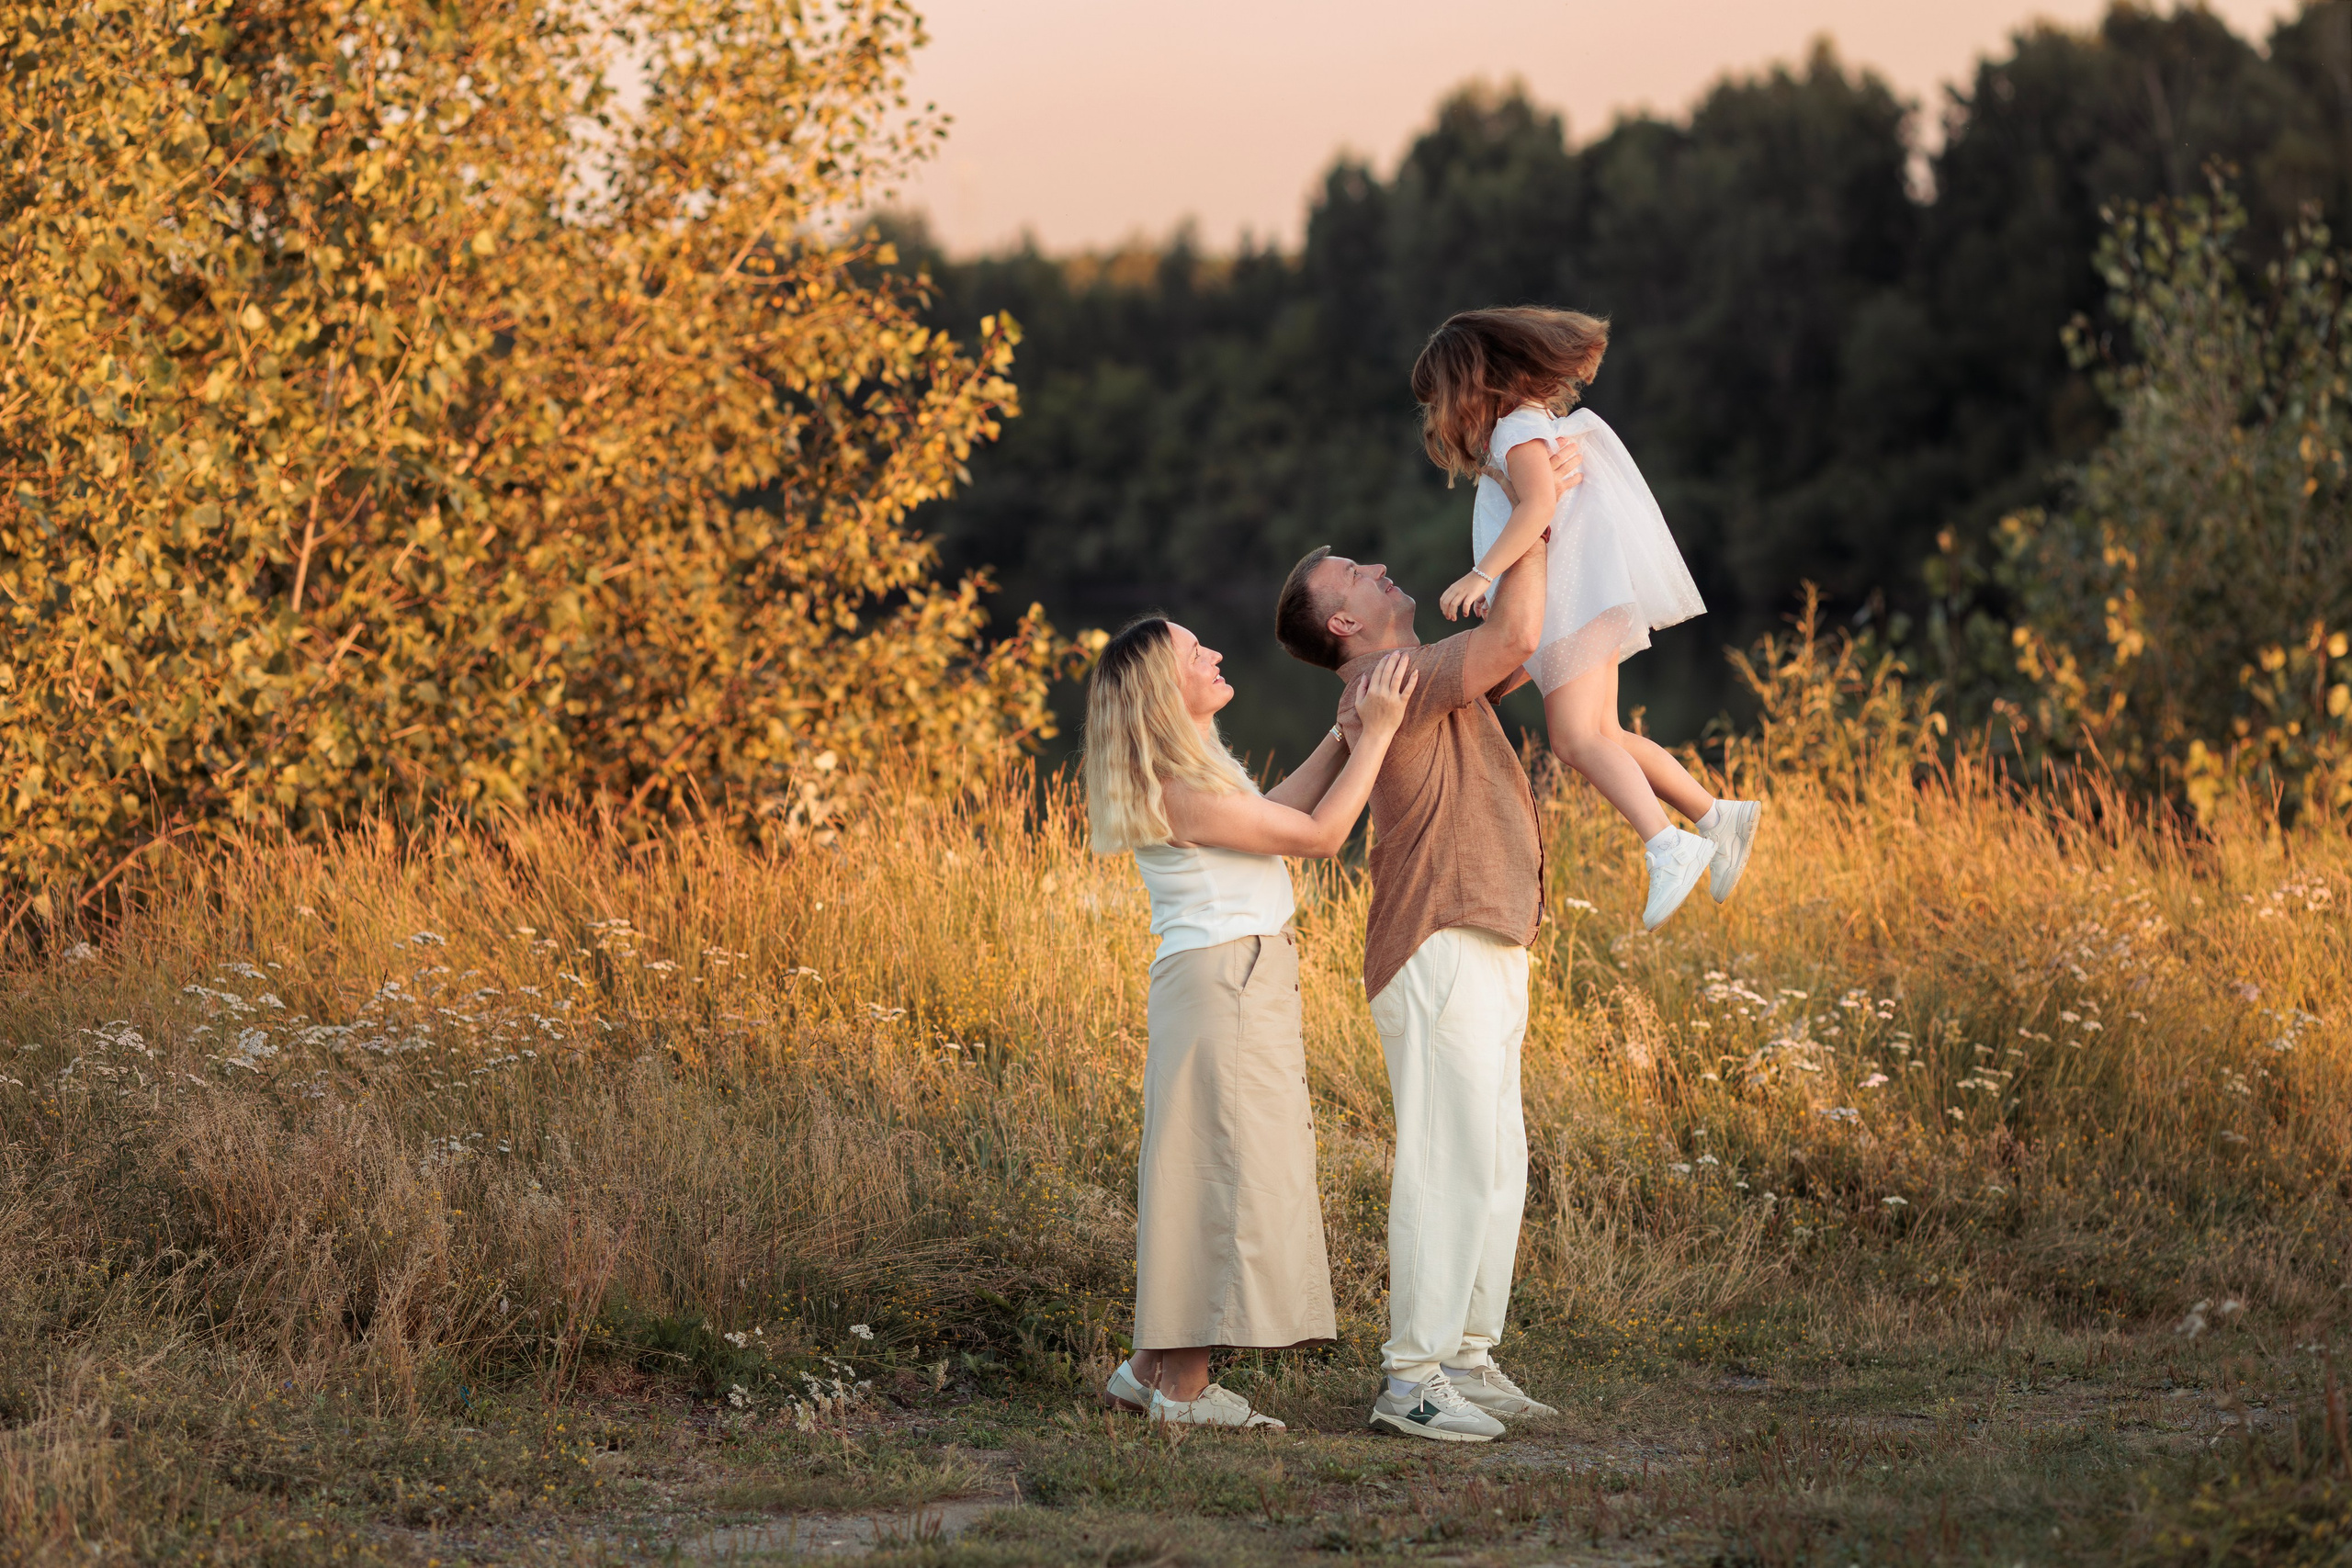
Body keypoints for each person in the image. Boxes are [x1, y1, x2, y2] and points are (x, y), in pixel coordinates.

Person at [1082, 615, 1419, 1428]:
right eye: (1198, 654)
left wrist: (1339, 741)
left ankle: (1151, 1369)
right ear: (1165, 690)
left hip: (1218, 978)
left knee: (1202, 1164)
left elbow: (1270, 817)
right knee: (1223, 1173)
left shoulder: (1187, 769)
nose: (1216, 654)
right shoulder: (1178, 785)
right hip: (1229, 979)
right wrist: (1376, 737)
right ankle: (1185, 1392)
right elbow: (1318, 835)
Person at [1271, 528, 1557, 1444]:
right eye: (1351, 574)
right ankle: (1409, 1379)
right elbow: (1511, 636)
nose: (1373, 565)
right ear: (1345, 619)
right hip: (1434, 941)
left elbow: (1529, 638)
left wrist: (1533, 540)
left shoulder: (1418, 676)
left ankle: (1467, 1357)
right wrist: (1530, 517)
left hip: (1486, 932)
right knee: (1447, 1161)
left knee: (1495, 1161)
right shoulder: (1388, 682)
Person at [1412, 306, 1762, 931]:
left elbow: (1539, 505)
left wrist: (1482, 574)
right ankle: (1717, 817)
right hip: (1593, 591)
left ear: (1468, 384)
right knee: (1606, 733)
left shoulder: (1511, 431)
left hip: (1578, 596)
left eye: (1436, 398)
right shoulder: (1526, 424)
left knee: (1575, 739)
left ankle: (1668, 845)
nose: (1435, 416)